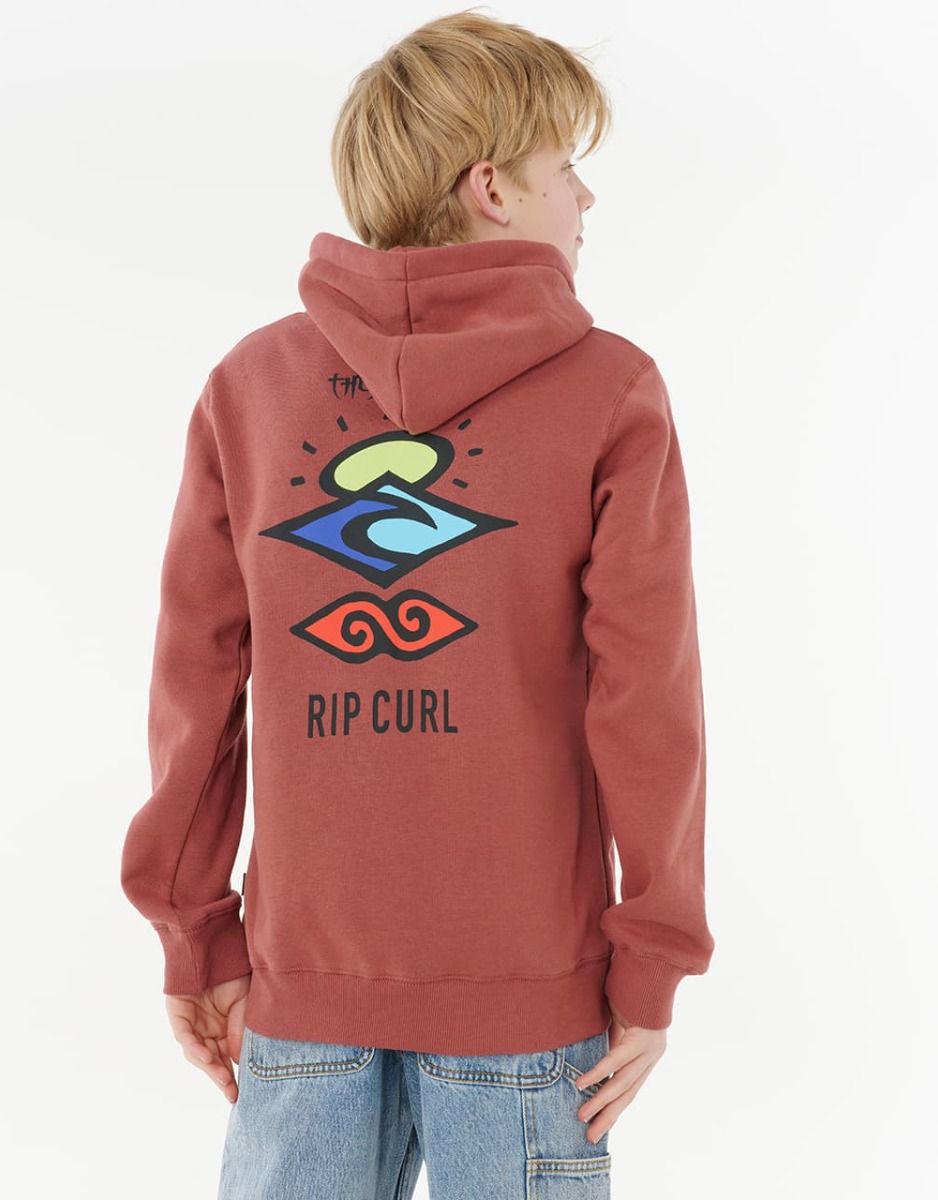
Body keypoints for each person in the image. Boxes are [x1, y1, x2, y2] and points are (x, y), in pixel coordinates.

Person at [120, 9, 715, 1197]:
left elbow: (196, 683)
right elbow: (645, 701)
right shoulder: (609, 391)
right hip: (527, 997)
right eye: (565, 167)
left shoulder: (251, 386)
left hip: (301, 986)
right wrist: (650, 957)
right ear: (492, 188)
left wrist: (194, 933)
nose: (586, 197)